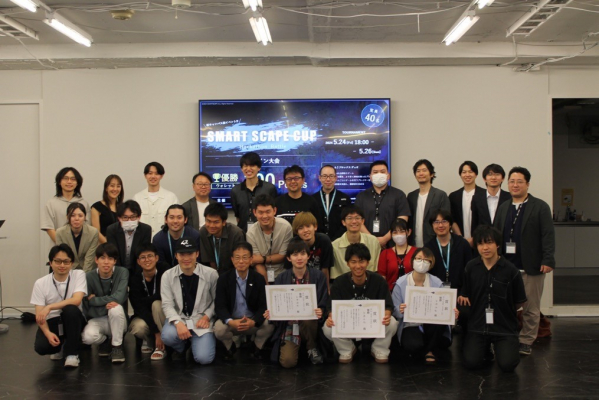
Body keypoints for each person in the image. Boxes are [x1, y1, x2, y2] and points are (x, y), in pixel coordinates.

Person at [494, 166, 555, 356]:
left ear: (527, 184)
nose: (515, 185)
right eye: (512, 181)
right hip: (507, 267)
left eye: (519, 181)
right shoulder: (504, 207)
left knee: (530, 307)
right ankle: (507, 337)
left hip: (531, 266)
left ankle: (527, 340)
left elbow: (548, 235)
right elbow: (496, 235)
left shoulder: (540, 206)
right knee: (505, 305)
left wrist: (548, 259)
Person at [459, 225, 527, 372]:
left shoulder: (511, 270)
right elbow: (465, 294)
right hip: (478, 326)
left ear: (497, 244)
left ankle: (504, 346)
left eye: (489, 242)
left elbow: (519, 301)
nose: (485, 248)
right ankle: (485, 349)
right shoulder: (471, 267)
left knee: (508, 365)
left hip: (503, 327)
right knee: (471, 362)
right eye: (480, 244)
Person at [324, 243, 398, 364]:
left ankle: (379, 348)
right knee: (327, 328)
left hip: (372, 324)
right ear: (347, 263)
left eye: (361, 261)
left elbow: (388, 306)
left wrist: (387, 315)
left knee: (392, 323)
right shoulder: (339, 282)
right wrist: (331, 317)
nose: (358, 266)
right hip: (349, 324)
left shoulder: (379, 281)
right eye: (353, 262)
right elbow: (332, 307)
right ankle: (347, 348)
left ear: (368, 262)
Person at [264, 239, 328, 368]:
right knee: (287, 362)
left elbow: (324, 301)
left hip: (310, 325)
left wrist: (321, 310)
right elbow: (276, 303)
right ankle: (298, 346)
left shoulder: (318, 276)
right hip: (290, 326)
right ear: (289, 258)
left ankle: (312, 347)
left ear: (308, 256)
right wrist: (272, 313)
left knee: (308, 318)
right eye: (295, 254)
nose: (299, 258)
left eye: (303, 253)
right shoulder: (281, 278)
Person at [392, 247, 457, 365]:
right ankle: (430, 348)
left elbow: (444, 306)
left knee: (439, 329)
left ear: (431, 264)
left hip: (431, 324)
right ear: (412, 260)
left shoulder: (437, 283)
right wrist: (400, 310)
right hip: (411, 324)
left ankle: (429, 351)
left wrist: (451, 313)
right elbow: (394, 309)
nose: (422, 262)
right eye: (419, 259)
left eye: (426, 260)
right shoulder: (401, 283)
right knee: (413, 345)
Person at [160, 238, 219, 365]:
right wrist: (177, 323)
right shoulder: (167, 275)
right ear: (176, 255)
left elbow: (217, 301)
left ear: (197, 254)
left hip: (201, 320)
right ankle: (182, 347)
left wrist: (207, 316)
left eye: (190, 254)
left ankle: (196, 345)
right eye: (182, 254)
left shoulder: (211, 274)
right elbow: (167, 304)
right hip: (180, 318)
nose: (186, 258)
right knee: (168, 336)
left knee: (204, 359)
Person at [214, 242, 274, 360]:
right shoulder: (223, 279)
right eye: (237, 258)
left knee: (269, 324)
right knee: (219, 329)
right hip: (233, 321)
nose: (241, 261)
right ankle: (230, 347)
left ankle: (257, 346)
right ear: (232, 260)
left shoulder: (258, 278)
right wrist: (230, 321)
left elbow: (263, 305)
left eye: (245, 257)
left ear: (251, 259)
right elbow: (220, 306)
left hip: (251, 321)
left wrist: (254, 321)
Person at [31, 244, 87, 368]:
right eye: (57, 261)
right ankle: (61, 345)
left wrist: (49, 307)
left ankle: (72, 354)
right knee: (42, 347)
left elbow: (77, 300)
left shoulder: (79, 274)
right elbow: (39, 315)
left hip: (74, 319)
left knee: (70, 309)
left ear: (71, 263)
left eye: (66, 261)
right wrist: (47, 333)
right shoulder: (40, 283)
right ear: (51, 263)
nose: (62, 265)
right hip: (53, 320)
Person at [82, 243, 129, 363]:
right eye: (102, 258)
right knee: (87, 338)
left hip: (118, 319)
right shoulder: (89, 277)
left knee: (115, 308)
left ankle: (117, 347)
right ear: (96, 260)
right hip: (98, 318)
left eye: (110, 258)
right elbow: (87, 305)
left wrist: (94, 300)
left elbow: (119, 297)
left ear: (115, 261)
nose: (106, 262)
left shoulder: (122, 272)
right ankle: (105, 341)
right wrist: (105, 305)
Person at [355, 160, 410, 249]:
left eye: (382, 172)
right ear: (370, 177)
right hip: (367, 244)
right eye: (375, 172)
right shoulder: (361, 196)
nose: (379, 174)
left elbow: (403, 218)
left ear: (388, 176)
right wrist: (373, 240)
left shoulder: (399, 195)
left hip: (393, 244)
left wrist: (385, 239)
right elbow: (357, 220)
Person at [128, 243, 169, 360]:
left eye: (150, 256)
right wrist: (157, 333)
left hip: (163, 313)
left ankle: (162, 346)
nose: (147, 260)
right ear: (138, 261)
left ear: (156, 258)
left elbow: (163, 296)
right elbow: (139, 308)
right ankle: (150, 340)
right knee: (138, 327)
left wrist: (146, 300)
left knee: (157, 304)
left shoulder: (164, 271)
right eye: (143, 257)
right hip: (145, 316)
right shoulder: (135, 279)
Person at [246, 194, 293, 283]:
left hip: (284, 274)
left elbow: (283, 256)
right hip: (261, 275)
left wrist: (263, 259)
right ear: (254, 212)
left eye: (268, 212)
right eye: (260, 212)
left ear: (274, 211)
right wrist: (266, 285)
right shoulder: (251, 233)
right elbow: (256, 262)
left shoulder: (286, 227)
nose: (264, 216)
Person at [424, 209, 472, 291]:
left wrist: (465, 292)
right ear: (432, 225)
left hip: (460, 292)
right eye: (436, 222)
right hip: (435, 292)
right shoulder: (428, 247)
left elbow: (470, 270)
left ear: (450, 224)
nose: (440, 225)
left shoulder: (462, 244)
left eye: (444, 221)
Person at [407, 159, 451, 248]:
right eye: (418, 171)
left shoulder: (440, 195)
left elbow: (446, 220)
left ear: (432, 174)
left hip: (434, 243)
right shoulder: (411, 196)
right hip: (413, 244)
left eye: (424, 170)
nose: (421, 173)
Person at [230, 152, 277, 233]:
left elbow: (273, 215)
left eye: (252, 165)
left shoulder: (269, 188)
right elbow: (238, 216)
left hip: (264, 233)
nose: (248, 169)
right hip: (243, 233)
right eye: (245, 166)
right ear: (241, 168)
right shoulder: (235, 191)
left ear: (259, 168)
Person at [330, 206, 380, 280]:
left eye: (357, 218)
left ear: (362, 221)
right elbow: (335, 276)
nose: (354, 221)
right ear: (343, 222)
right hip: (344, 285)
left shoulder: (373, 242)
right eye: (349, 218)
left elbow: (377, 270)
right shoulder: (334, 246)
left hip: (370, 283)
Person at [42, 167, 90, 243]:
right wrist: (63, 246)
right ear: (59, 182)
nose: (69, 182)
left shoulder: (84, 203)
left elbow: (87, 227)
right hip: (57, 247)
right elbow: (49, 228)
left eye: (73, 179)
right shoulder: (51, 203)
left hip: (80, 247)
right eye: (65, 178)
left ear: (77, 183)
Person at [133, 161, 179, 237]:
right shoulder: (137, 198)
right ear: (145, 175)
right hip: (143, 241)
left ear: (161, 176)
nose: (153, 176)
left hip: (164, 239)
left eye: (157, 174)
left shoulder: (171, 197)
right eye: (150, 173)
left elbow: (176, 221)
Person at [106, 200, 152, 274]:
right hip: (117, 270)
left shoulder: (146, 229)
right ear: (119, 218)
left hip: (138, 270)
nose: (129, 220)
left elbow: (143, 254)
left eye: (133, 217)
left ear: (139, 217)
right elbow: (113, 254)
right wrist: (120, 274)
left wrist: (137, 275)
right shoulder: (111, 230)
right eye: (125, 217)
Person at [199, 203, 246, 275]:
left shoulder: (236, 233)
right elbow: (209, 259)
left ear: (224, 222)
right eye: (208, 221)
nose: (211, 225)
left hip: (234, 272)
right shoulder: (203, 232)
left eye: (216, 222)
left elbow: (240, 260)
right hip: (211, 272)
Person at [289, 212, 334, 286]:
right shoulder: (293, 243)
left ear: (315, 227)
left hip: (319, 279)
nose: (305, 230)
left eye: (308, 226)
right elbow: (290, 270)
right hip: (299, 281)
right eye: (301, 228)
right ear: (297, 232)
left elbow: (325, 268)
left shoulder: (324, 241)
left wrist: (326, 289)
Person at [449, 161, 486, 246]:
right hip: (459, 241)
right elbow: (452, 219)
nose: (467, 175)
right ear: (460, 175)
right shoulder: (454, 196)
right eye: (464, 172)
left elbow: (484, 219)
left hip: (480, 240)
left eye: (470, 172)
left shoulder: (484, 194)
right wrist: (460, 238)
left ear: (476, 174)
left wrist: (475, 238)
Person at [312, 165, 352, 241]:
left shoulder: (345, 198)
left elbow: (348, 220)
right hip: (318, 240)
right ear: (320, 178)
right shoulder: (313, 199)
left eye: (331, 176)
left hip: (340, 240)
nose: (328, 179)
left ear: (336, 178)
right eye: (324, 176)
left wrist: (337, 238)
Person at [55, 203, 99, 272]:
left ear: (85, 217)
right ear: (67, 217)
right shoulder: (60, 232)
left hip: (88, 269)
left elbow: (90, 258)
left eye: (80, 216)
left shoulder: (93, 232)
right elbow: (62, 256)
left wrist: (84, 275)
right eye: (72, 215)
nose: (76, 219)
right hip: (67, 270)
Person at [378, 218, 417, 291]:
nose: (399, 235)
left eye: (402, 231)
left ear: (409, 232)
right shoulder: (385, 253)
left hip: (412, 292)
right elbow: (382, 278)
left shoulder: (417, 252)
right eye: (395, 232)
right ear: (391, 234)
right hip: (390, 293)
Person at [471, 164, 511, 233]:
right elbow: (474, 222)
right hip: (483, 237)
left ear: (503, 178)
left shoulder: (509, 197)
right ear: (484, 179)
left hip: (503, 236)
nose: (493, 177)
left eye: (497, 174)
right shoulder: (477, 198)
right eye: (490, 174)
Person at [91, 174, 124, 244]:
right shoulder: (96, 207)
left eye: (118, 186)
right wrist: (110, 245)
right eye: (112, 186)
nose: (115, 189)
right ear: (106, 188)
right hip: (104, 246)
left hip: (122, 245)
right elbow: (96, 232)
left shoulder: (124, 207)